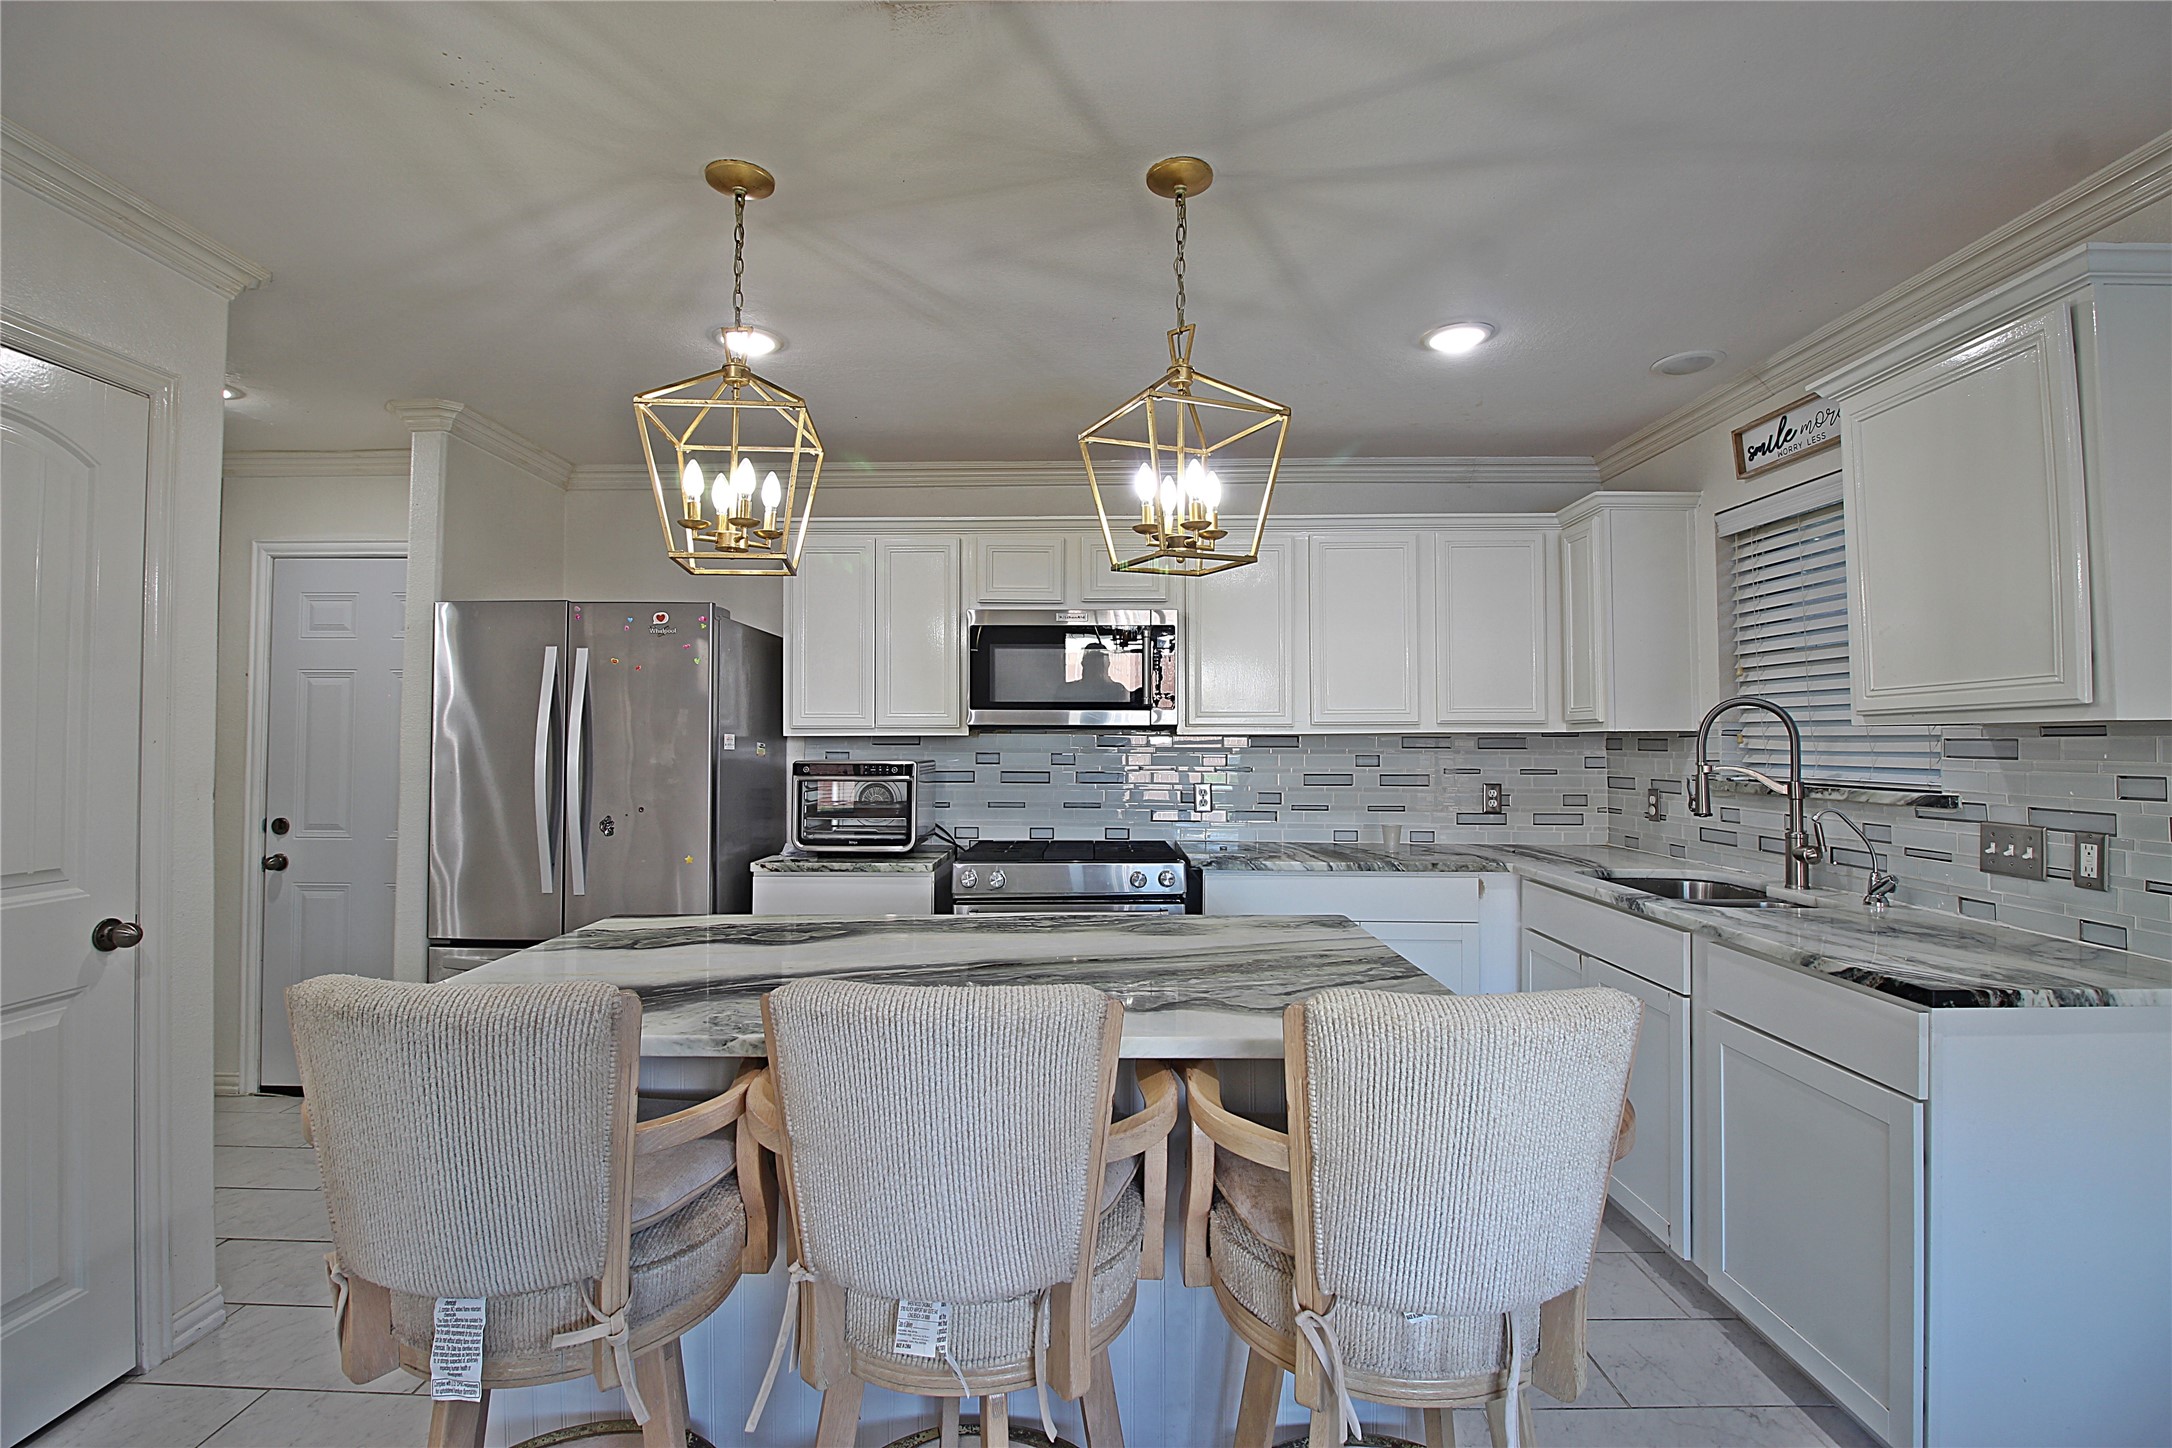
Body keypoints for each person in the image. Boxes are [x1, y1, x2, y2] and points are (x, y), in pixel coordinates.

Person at [1057, 642, 1133, 703]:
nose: (1097, 669)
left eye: (1100, 665)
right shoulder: (1066, 690)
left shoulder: (1119, 691)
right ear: (1083, 664)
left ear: (1108, 665)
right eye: (1093, 665)